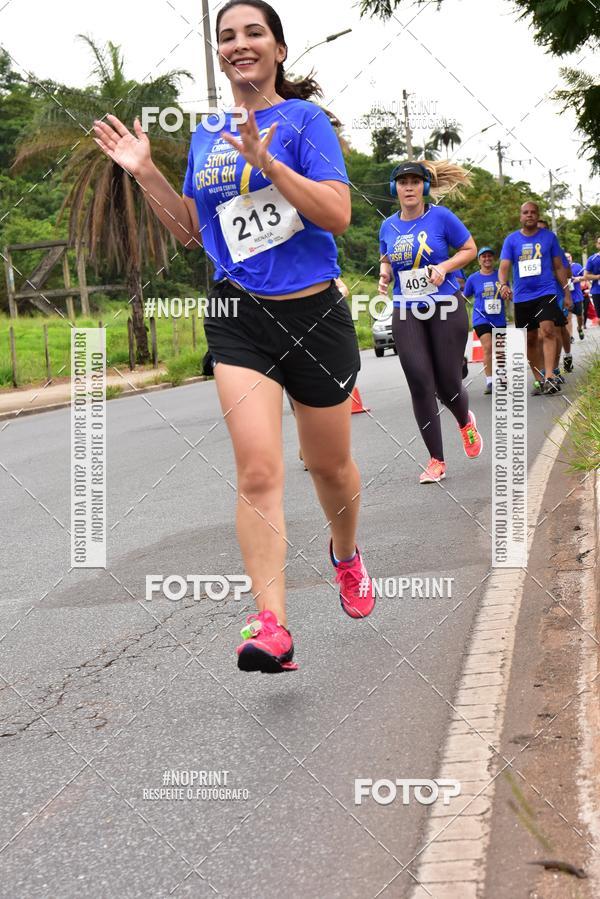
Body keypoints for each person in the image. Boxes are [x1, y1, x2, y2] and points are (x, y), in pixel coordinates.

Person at [92, 0, 375, 674]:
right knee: (256, 470)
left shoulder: (304, 122)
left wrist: (270, 163)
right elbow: (192, 232)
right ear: (218, 54)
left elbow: (335, 214)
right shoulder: (206, 133)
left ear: (278, 49)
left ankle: (346, 554)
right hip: (237, 316)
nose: (238, 44)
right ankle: (271, 625)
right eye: (226, 36)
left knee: (328, 465)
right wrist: (145, 171)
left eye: (253, 33)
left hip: (314, 317)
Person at [378, 160, 480, 485]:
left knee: (447, 385)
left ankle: (465, 421)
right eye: (402, 182)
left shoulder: (441, 217)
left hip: (446, 305)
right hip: (406, 307)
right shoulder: (388, 226)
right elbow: (386, 255)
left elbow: (470, 248)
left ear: (424, 186)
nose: (409, 187)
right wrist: (384, 274)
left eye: (415, 181)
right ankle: (436, 460)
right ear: (395, 188)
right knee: (420, 381)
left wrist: (446, 266)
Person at [498, 202, 572, 396]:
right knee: (531, 338)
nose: (529, 215)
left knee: (548, 330)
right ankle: (539, 379)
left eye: (533, 212)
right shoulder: (511, 240)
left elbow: (558, 267)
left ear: (537, 216)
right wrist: (503, 284)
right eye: (525, 212)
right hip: (523, 296)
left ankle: (549, 376)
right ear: (521, 216)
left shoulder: (549, 238)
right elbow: (504, 267)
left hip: (546, 292)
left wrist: (567, 293)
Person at [463, 247, 509, 395]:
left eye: (490, 256)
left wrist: (507, 293)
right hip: (481, 317)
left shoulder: (500, 276)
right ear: (479, 260)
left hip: (498, 318)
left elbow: (509, 294)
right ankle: (490, 381)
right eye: (484, 256)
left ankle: (502, 377)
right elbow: (465, 297)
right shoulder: (473, 278)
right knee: (488, 347)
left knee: (500, 350)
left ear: (494, 259)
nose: (487, 258)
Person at [537, 218, 571, 380]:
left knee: (555, 330)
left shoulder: (555, 249)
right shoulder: (528, 249)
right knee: (539, 334)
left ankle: (554, 369)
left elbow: (567, 273)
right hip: (534, 297)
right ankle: (544, 369)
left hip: (555, 295)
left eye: (543, 229)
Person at [565, 252, 585, 341]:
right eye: (565, 257)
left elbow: (585, 276)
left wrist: (578, 279)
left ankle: (580, 328)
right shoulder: (560, 268)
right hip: (566, 296)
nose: (567, 258)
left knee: (579, 316)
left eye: (569, 257)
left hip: (577, 296)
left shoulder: (577, 266)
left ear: (571, 257)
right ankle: (570, 336)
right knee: (568, 317)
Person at [584, 236, 600, 320]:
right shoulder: (592, 259)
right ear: (597, 245)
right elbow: (586, 275)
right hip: (597, 291)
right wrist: (598, 276)